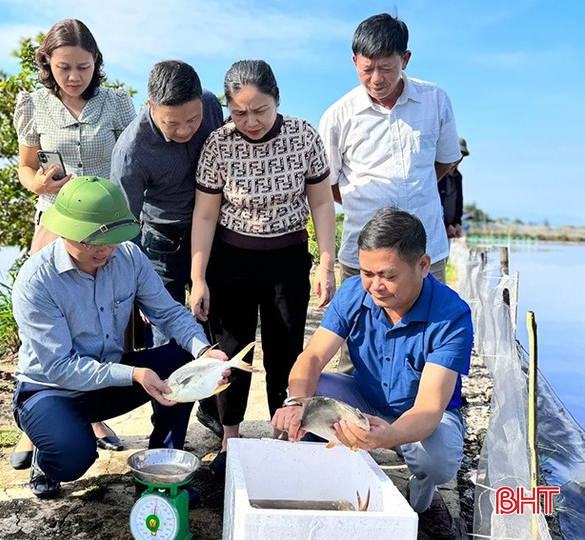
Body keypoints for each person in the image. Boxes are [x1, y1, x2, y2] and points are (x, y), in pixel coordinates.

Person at [11, 176, 229, 499]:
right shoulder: (36, 281)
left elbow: (168, 313)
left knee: (185, 359)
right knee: (75, 455)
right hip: (49, 389)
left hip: (107, 377)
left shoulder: (128, 257)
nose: (104, 250)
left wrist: (204, 351)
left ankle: (159, 470)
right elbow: (59, 367)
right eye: (92, 241)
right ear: (66, 231)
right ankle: (47, 461)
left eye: (112, 238)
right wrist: (135, 374)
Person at [272, 208, 472, 540]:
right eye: (367, 272)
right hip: (363, 397)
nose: (375, 286)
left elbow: (428, 409)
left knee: (438, 459)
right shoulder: (355, 292)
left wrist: (388, 437)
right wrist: (295, 403)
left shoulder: (451, 316)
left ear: (423, 265)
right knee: (309, 394)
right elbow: (312, 357)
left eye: (388, 275)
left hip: (424, 414)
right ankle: (315, 482)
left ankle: (422, 499)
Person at [190, 60, 336, 479]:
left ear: (278, 102)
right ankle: (230, 439)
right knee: (232, 351)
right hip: (231, 260)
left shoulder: (304, 135)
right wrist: (199, 277)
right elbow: (204, 215)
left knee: (285, 351)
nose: (250, 121)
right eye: (239, 112)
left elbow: (322, 202)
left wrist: (325, 262)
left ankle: (283, 436)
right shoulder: (218, 144)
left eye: (260, 110)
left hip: (287, 259)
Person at [11, 18, 137, 469]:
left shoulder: (118, 104)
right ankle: (34, 423)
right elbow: (26, 170)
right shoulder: (33, 106)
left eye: (82, 67)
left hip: (108, 227)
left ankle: (94, 415)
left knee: (108, 316)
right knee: (45, 318)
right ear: (47, 63)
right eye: (64, 67)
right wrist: (38, 183)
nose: (73, 76)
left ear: (96, 62)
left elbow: (133, 160)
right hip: (56, 224)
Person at [319, 13, 462, 284]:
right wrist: (362, 199)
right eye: (366, 69)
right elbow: (327, 185)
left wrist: (414, 186)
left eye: (386, 67)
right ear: (354, 62)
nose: (376, 79)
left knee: (429, 325)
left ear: (405, 59)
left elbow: (445, 161)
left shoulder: (435, 101)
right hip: (363, 256)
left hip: (425, 254)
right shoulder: (338, 116)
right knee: (363, 326)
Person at [110, 60, 224, 347]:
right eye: (171, 123)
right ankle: (170, 392)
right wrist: (136, 287)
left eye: (193, 120)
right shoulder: (131, 152)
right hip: (162, 244)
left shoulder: (210, 105)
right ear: (150, 105)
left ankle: (211, 392)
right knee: (167, 338)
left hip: (213, 234)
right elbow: (125, 227)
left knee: (216, 329)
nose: (185, 130)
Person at [438, 137, 469, 238]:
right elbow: (437, 202)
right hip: (438, 225)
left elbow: (459, 201)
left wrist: (457, 223)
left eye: (462, 154)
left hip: (451, 229)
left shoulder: (458, 177)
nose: (458, 157)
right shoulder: (438, 173)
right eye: (458, 152)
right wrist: (446, 224)